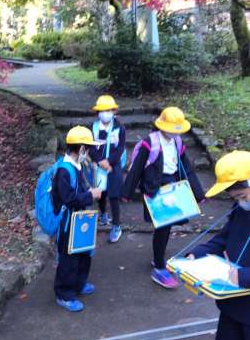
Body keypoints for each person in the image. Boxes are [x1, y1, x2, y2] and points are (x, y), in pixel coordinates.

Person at [187, 150, 250, 340]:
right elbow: (224, 238)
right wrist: (196, 253)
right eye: (234, 197)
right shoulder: (240, 211)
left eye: (241, 195)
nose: (238, 201)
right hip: (234, 302)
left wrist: (244, 276)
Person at [122, 106, 204, 289]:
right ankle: (159, 267)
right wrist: (127, 193)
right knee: (163, 227)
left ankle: (158, 258)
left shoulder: (177, 142)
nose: (175, 133)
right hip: (156, 189)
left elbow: (186, 168)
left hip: (173, 187)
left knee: (166, 227)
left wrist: (198, 193)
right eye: (172, 129)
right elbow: (137, 168)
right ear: (162, 126)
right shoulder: (150, 143)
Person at [52, 126, 102, 312]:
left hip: (80, 219)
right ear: (81, 149)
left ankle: (79, 283)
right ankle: (64, 294)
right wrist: (91, 195)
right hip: (67, 222)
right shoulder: (64, 170)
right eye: (87, 149)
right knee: (68, 259)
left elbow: (79, 191)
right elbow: (69, 199)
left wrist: (89, 192)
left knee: (83, 253)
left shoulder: (77, 166)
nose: (88, 153)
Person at [89, 94, 126, 244]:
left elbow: (120, 148)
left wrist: (109, 161)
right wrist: (99, 160)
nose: (105, 113)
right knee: (101, 193)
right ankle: (103, 214)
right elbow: (91, 147)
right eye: (102, 110)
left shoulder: (119, 128)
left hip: (114, 166)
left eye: (108, 110)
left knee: (114, 194)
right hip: (98, 165)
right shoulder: (93, 127)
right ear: (98, 112)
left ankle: (116, 225)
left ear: (114, 111)